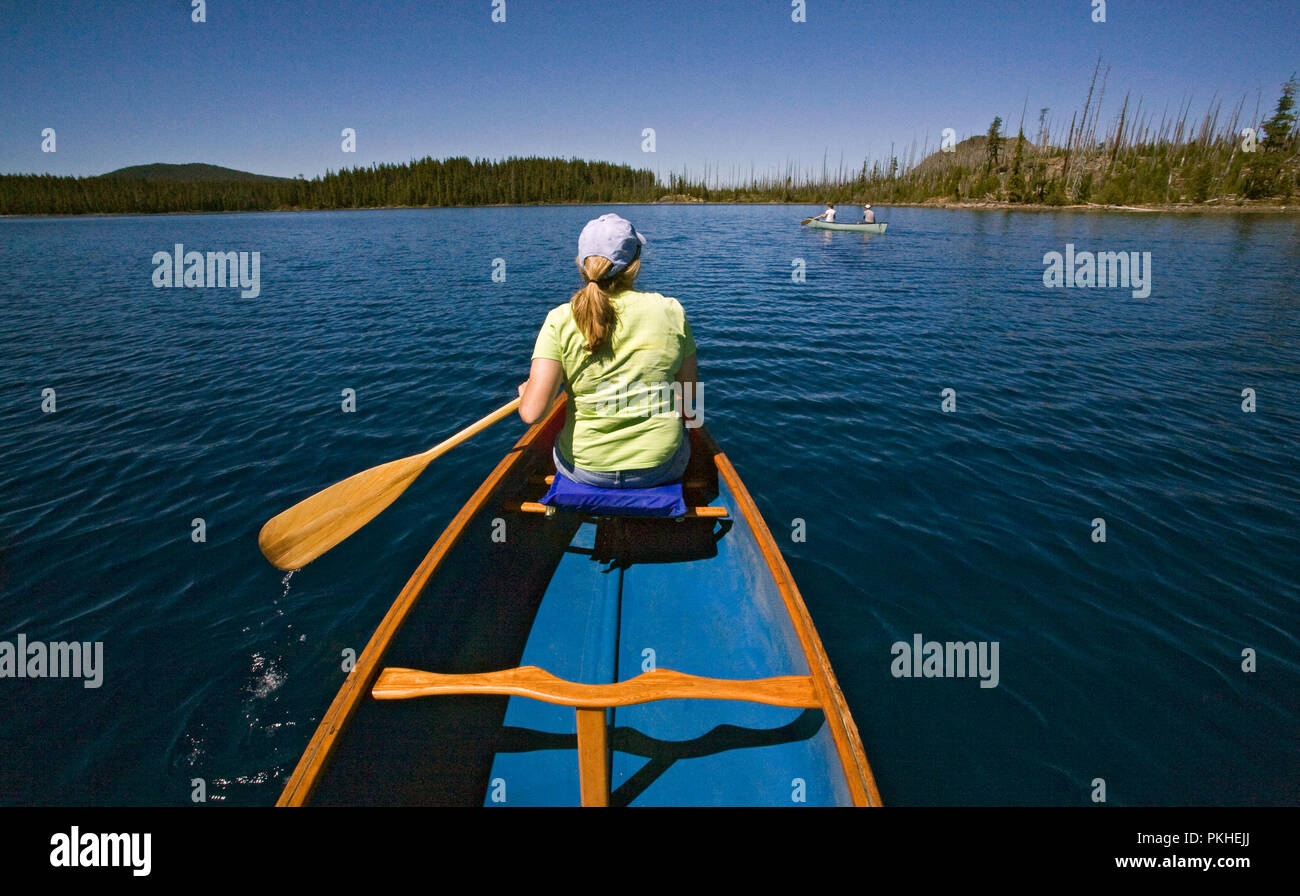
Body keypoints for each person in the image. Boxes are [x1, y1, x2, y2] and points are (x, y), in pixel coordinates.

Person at [517, 213, 699, 489]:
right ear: (635, 264)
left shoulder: (559, 318)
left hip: (586, 470)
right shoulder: (671, 310)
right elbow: (690, 396)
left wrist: (526, 393)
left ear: (581, 263)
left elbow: (532, 414)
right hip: (660, 467)